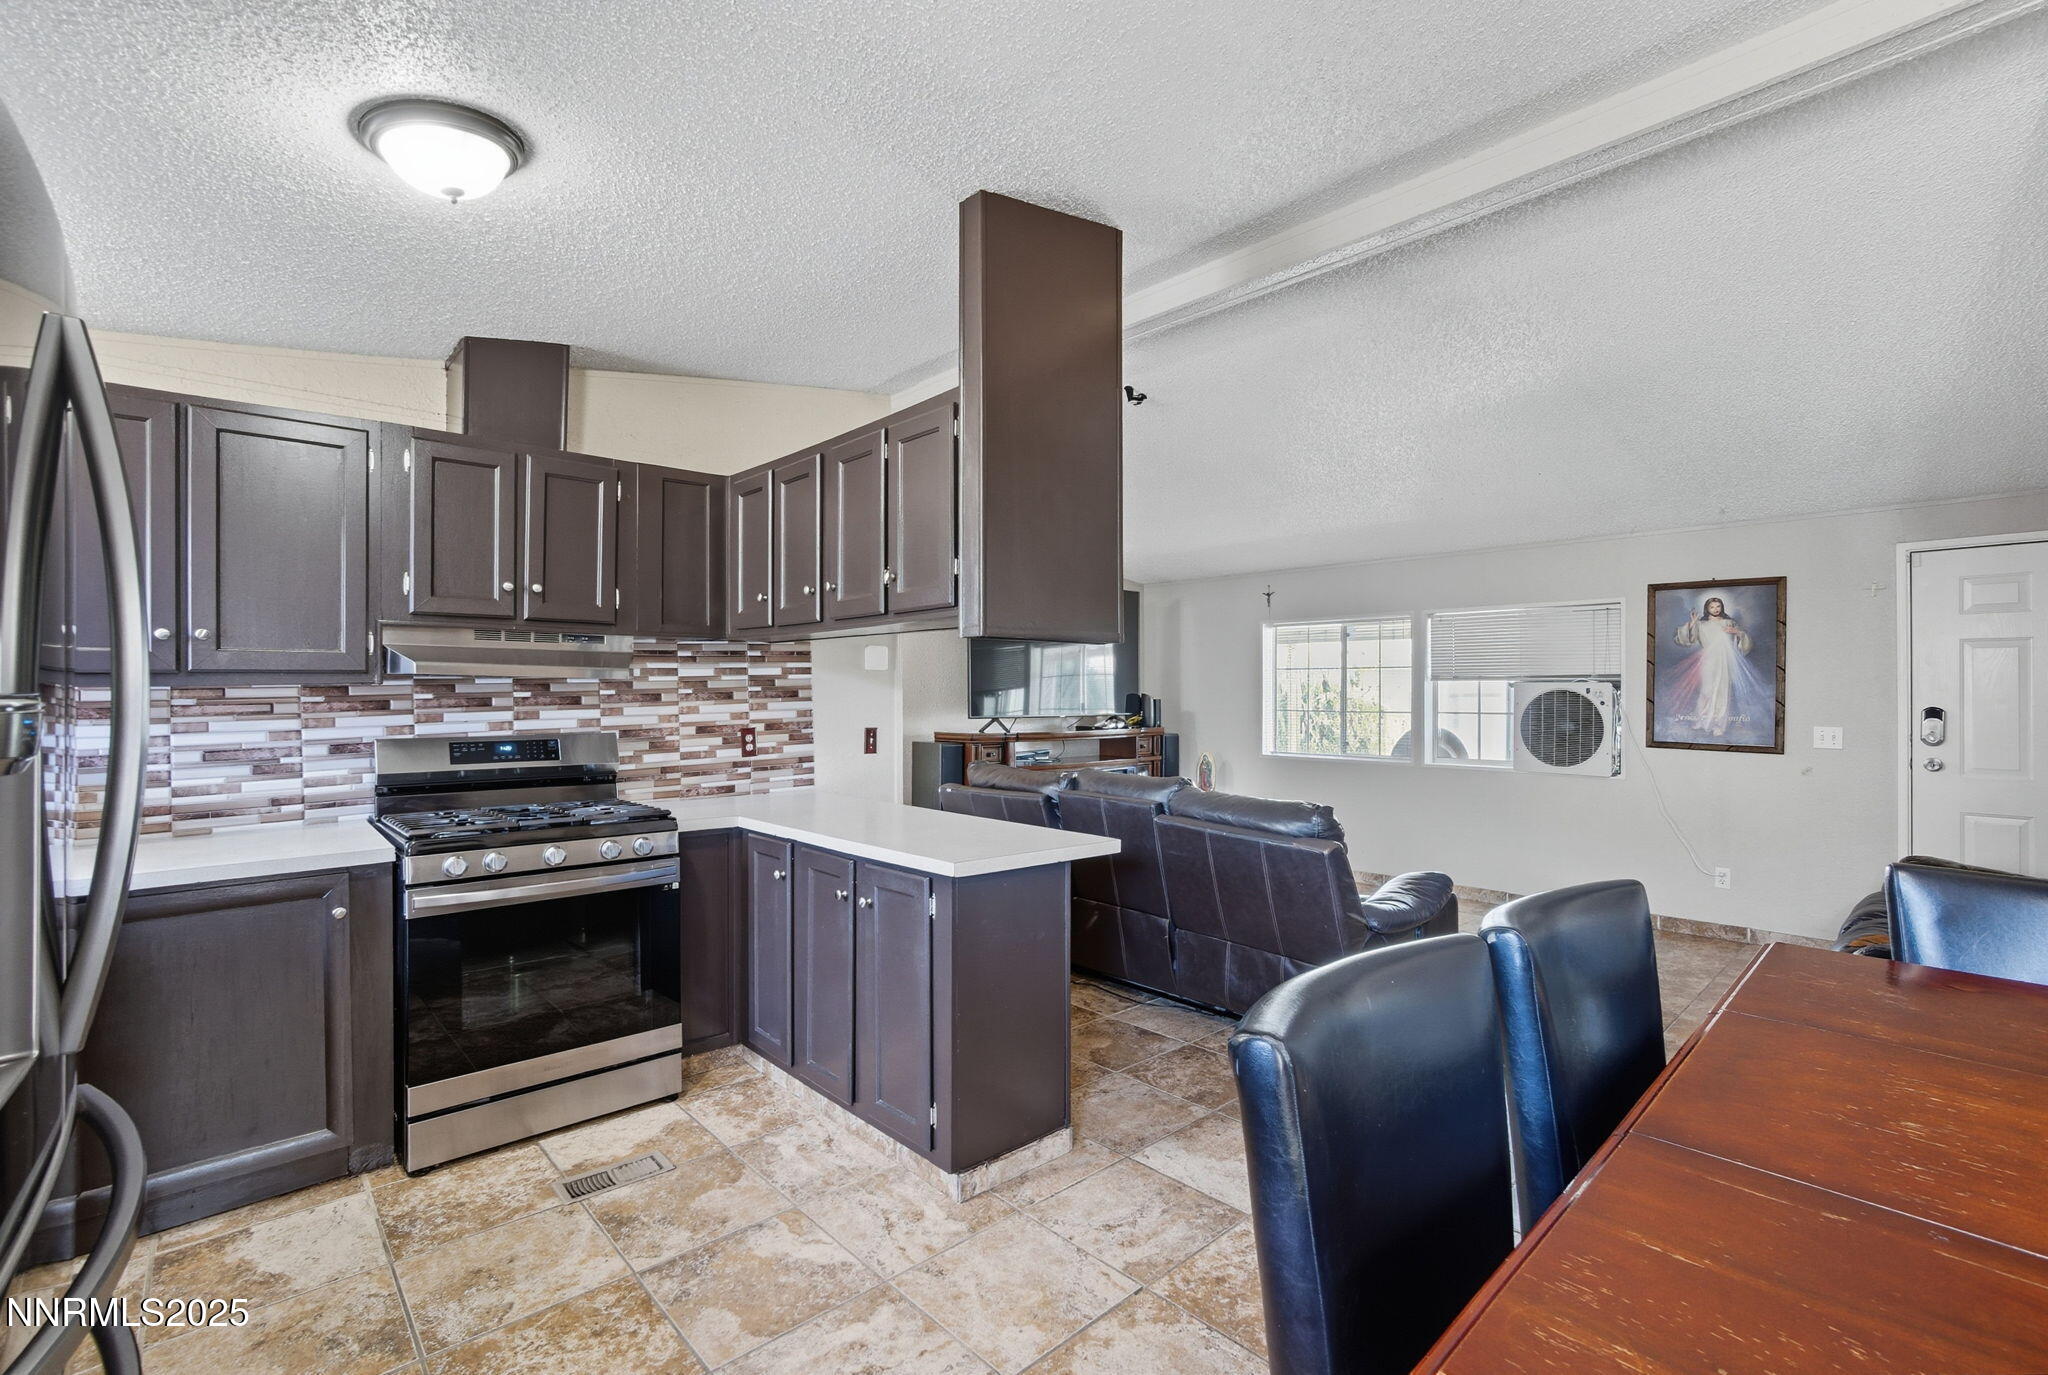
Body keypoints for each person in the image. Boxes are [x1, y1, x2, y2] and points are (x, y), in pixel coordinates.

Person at [1670, 595, 1760, 737]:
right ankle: (1703, 720)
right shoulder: (1701, 624)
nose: (1715, 609)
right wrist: (1693, 623)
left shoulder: (1729, 622)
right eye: (1712, 607)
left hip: (1725, 660)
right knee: (1707, 690)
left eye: (1718, 606)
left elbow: (1743, 642)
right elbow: (1687, 640)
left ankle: (1719, 725)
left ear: (1722, 607)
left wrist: (1737, 633)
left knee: (1723, 692)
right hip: (1709, 660)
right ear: (1707, 608)